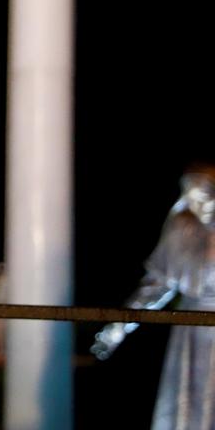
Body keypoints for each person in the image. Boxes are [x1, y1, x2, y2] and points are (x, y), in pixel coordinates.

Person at [90, 160, 215, 430]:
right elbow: (156, 287)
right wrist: (117, 328)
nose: (197, 199)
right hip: (192, 332)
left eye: (205, 191)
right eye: (191, 191)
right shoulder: (182, 228)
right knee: (190, 407)